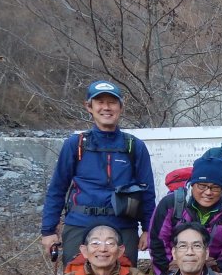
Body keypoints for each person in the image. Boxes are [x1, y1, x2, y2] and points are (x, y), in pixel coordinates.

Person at [41, 80, 156, 265]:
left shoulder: (134, 146)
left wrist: (149, 229)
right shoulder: (75, 144)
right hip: (80, 223)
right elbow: (57, 188)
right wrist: (48, 231)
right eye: (100, 102)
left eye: (111, 102)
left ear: (120, 107)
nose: (106, 108)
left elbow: (147, 192)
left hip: (123, 225)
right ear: (89, 107)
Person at [149, 156, 222, 275]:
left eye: (215, 187)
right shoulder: (170, 204)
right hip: (175, 270)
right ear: (192, 184)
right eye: (202, 185)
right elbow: (157, 243)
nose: (208, 192)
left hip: (215, 272)